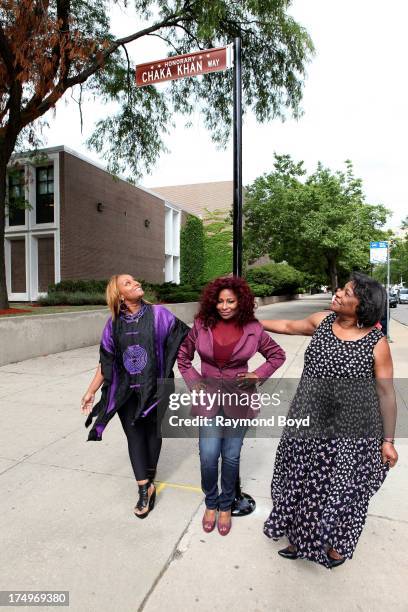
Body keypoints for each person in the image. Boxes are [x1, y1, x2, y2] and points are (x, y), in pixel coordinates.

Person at [261, 272, 398, 568]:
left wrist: (388, 441)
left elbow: (386, 394)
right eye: (341, 289)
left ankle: (338, 546)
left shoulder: (377, 343)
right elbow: (286, 325)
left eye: (346, 292)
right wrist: (248, 321)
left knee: (344, 489)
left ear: (361, 305)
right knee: (300, 479)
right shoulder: (322, 321)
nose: (337, 293)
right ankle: (299, 538)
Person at [177, 276, 286, 536]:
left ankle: (225, 505)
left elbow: (277, 355)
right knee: (208, 455)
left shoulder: (253, 328)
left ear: (241, 303)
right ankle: (211, 502)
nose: (224, 306)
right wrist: (194, 382)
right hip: (209, 399)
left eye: (230, 301)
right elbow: (183, 357)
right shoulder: (201, 325)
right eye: (220, 301)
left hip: (240, 399)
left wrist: (258, 375)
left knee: (232, 456)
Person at [81, 274, 189, 518]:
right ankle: (144, 488)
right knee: (134, 435)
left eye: (135, 280)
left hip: (157, 389)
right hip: (125, 391)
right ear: (119, 295)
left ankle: (149, 472)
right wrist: (91, 390)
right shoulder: (112, 325)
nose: (136, 283)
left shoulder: (160, 315)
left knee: (153, 434)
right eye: (128, 283)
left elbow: (186, 340)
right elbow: (106, 362)